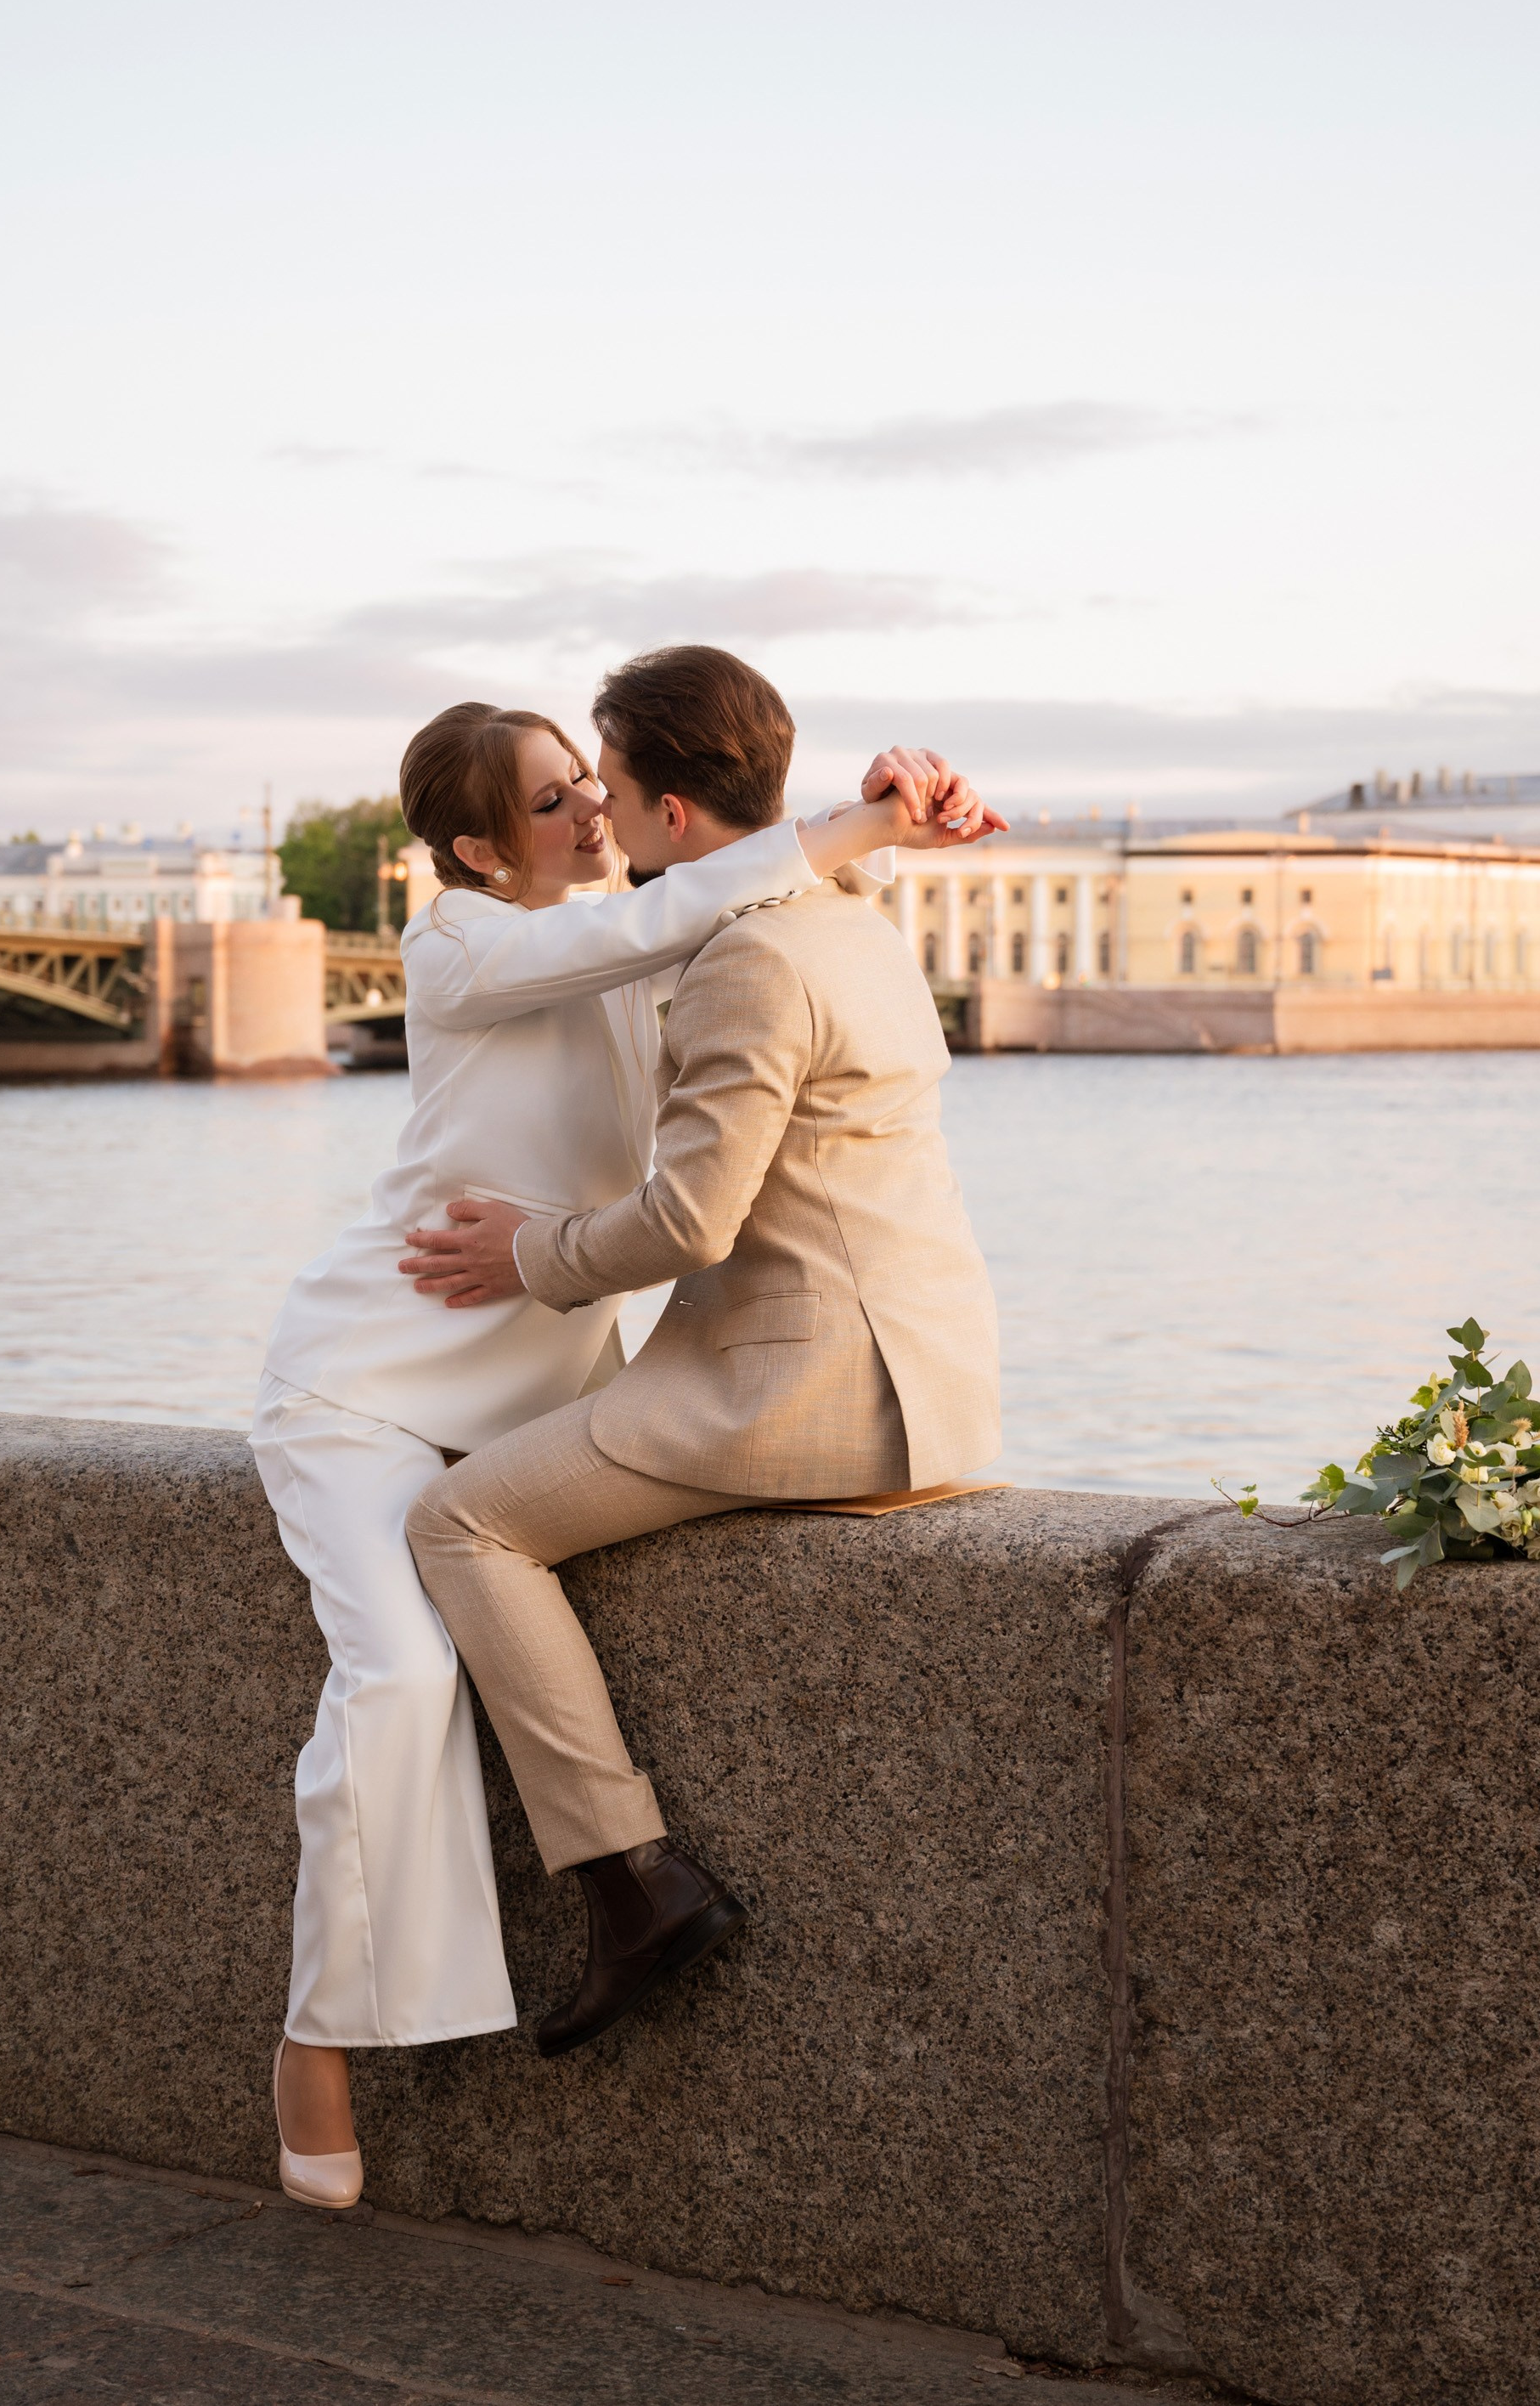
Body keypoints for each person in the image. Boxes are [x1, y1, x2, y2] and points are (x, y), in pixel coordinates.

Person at [250, 687, 996, 2211]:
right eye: (548, 799)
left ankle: (602, 1901)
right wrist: (851, 824)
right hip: (370, 1387)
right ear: (471, 850)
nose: (591, 808)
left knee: (445, 1625)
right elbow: (693, 907)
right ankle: (315, 2040)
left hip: (531, 1392)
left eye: (593, 780)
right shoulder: (465, 944)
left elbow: (774, 939)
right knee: (396, 1682)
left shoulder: (647, 950)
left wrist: (892, 825)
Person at [401, 645, 1005, 2063]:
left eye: (608, 786)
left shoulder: (743, 958)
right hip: (934, 1374)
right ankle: (633, 1886)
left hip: (811, 1387)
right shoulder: (846, 913)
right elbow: (813, 877)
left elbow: (690, 1216)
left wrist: (529, 1255)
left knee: (461, 1521)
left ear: (676, 815)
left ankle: (632, 1880)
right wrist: (887, 816)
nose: (599, 817)